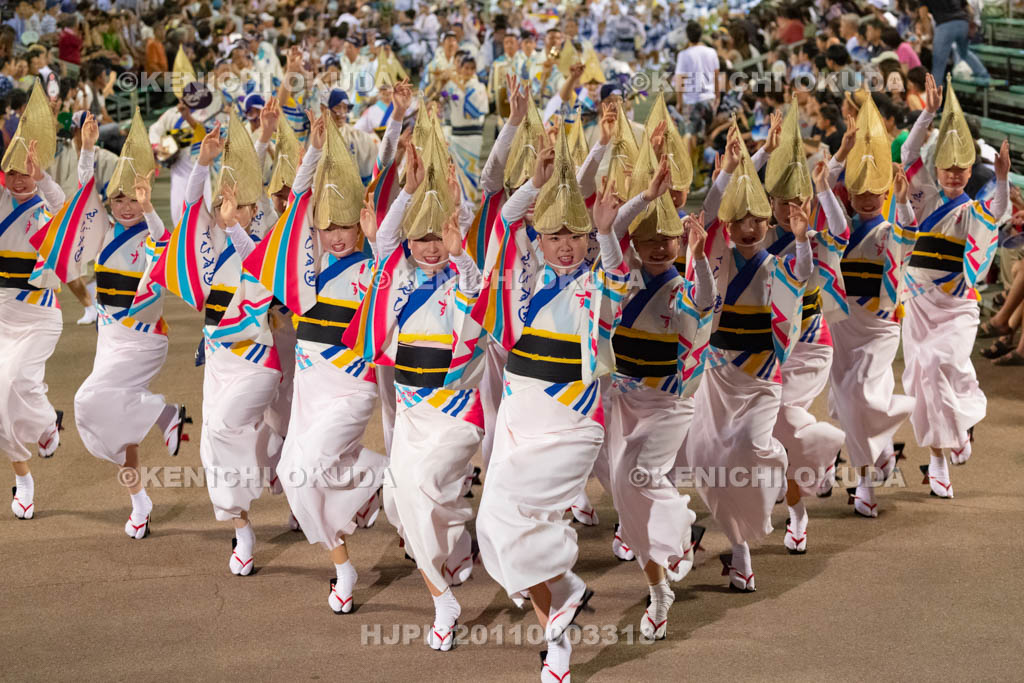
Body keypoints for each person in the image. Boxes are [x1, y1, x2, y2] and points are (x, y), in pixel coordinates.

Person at [475, 127, 630, 679]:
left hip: (571, 424)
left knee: (515, 521)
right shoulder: (518, 283)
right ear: (539, 240)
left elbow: (618, 277)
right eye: (554, 235)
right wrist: (533, 183)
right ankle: (559, 637)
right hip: (521, 416)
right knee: (498, 529)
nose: (566, 244)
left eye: (576, 235)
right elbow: (499, 226)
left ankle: (565, 591)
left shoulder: (598, 286)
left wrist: (608, 231)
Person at [344, 124, 486, 652]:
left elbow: (475, 287)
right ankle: (447, 583)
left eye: (438, 237)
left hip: (456, 413)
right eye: (420, 238)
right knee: (404, 504)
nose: (431, 248)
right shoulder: (396, 277)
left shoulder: (466, 276)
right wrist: (409, 185)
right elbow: (383, 241)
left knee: (426, 488)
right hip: (410, 414)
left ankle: (450, 574)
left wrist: (454, 208)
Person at [681, 125, 812, 591]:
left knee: (753, 449)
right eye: (741, 222)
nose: (750, 227)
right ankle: (740, 551)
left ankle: (780, 472)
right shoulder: (717, 254)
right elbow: (712, 213)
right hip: (718, 375)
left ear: (768, 224)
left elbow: (804, 275)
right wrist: (738, 166)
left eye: (759, 220)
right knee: (709, 457)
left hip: (761, 377)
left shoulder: (778, 263)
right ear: (730, 228)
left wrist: (800, 238)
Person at [66, 111, 187, 538]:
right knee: (116, 423)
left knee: (86, 401)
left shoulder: (153, 231)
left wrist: (151, 208)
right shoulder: (102, 230)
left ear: (144, 198)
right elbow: (82, 193)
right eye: (118, 200)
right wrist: (86, 148)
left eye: (133, 199)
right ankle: (140, 502)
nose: (125, 207)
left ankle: (162, 411)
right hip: (109, 335)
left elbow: (165, 244)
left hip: (144, 338)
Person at [901, 74, 1011, 497]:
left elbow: (999, 211)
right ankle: (939, 455)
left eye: (960, 168)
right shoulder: (923, 195)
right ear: (937, 167)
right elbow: (909, 151)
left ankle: (955, 434)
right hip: (918, 301)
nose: (952, 173)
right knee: (922, 379)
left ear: (970, 169)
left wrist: (1002, 177)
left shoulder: (974, 207)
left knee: (937, 364)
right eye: (946, 166)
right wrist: (927, 112)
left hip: (958, 306)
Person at [827, 97, 917, 517]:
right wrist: (843, 152)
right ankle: (875, 456)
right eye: (859, 190)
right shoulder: (839, 225)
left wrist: (901, 199)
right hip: (843, 322)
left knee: (858, 393)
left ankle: (864, 481)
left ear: (884, 190)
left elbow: (907, 238)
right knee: (848, 398)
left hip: (880, 325)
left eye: (874, 191)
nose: (867, 197)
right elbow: (821, 188)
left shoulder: (888, 228)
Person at [0, 83, 65, 519]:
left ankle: (45, 422)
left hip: (41, 313)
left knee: (21, 384)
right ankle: (22, 475)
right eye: (13, 172)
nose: (19, 179)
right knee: (1, 392)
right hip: (2, 312)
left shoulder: (48, 201)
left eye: (26, 171)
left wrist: (41, 177)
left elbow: (65, 210)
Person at [919, 0, 989, 85]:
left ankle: (935, 94)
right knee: (964, 53)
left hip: (944, 26)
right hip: (963, 23)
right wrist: (971, 24)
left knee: (939, 63)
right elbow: (969, 9)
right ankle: (984, 75)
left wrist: (929, 34)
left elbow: (923, 15)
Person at [674, 21, 719, 148]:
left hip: (690, 99)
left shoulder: (684, 55)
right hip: (708, 97)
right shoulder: (711, 52)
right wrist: (717, 96)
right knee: (706, 131)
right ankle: (704, 162)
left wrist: (679, 102)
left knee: (690, 133)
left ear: (688, 36)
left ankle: (692, 164)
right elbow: (716, 76)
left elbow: (679, 80)